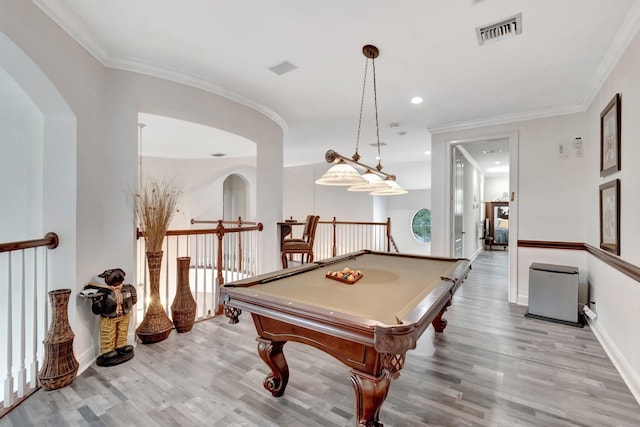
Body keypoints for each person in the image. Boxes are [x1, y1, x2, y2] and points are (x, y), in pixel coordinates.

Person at [81, 268, 137, 366]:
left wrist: (128, 305)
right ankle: (108, 351)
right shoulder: (104, 292)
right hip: (109, 317)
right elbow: (96, 311)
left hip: (124, 315)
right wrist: (97, 301)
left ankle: (121, 346)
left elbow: (134, 300)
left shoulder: (129, 288)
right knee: (108, 333)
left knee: (122, 331)